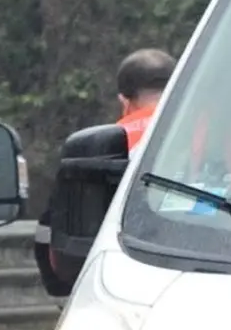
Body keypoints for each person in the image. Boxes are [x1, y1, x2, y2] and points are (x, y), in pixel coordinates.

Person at [34, 48, 175, 295]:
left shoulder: (101, 147)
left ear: (124, 102)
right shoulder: (210, 138)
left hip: (125, 278)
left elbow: (52, 232)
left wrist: (60, 286)